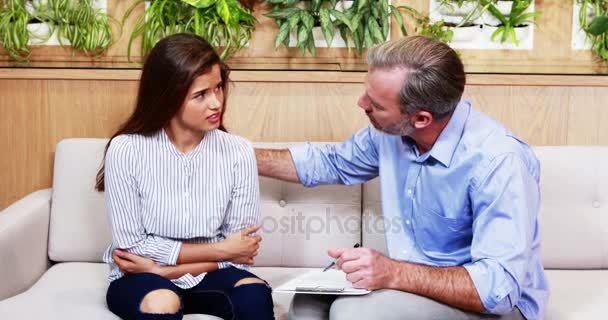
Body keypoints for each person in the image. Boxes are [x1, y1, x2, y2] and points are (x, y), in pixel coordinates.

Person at [255, 36, 548, 320]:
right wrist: (236, 156)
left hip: (493, 305)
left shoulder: (499, 162)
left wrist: (393, 272)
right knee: (308, 305)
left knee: (352, 314)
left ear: (421, 118)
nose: (361, 104)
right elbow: (329, 162)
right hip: (419, 285)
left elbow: (497, 290)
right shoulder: (393, 133)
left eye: (376, 104)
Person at [95, 33, 274, 320]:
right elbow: (132, 248)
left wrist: (165, 269)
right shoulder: (126, 149)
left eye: (218, 88)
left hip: (201, 274)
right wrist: (221, 249)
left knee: (254, 295)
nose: (216, 103)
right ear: (169, 97)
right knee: (161, 302)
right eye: (200, 95)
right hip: (140, 279)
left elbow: (240, 250)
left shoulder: (238, 151)